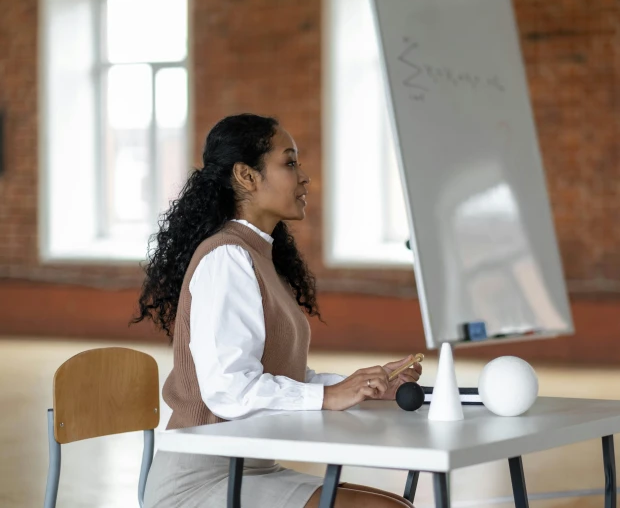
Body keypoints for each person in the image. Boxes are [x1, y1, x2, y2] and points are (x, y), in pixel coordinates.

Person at [133, 114, 423, 508]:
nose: (304, 177)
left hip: (250, 467)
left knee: (398, 505)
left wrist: (364, 387)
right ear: (246, 176)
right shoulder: (227, 258)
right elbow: (228, 388)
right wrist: (328, 396)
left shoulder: (258, 255)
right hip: (201, 480)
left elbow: (278, 378)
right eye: (289, 163)